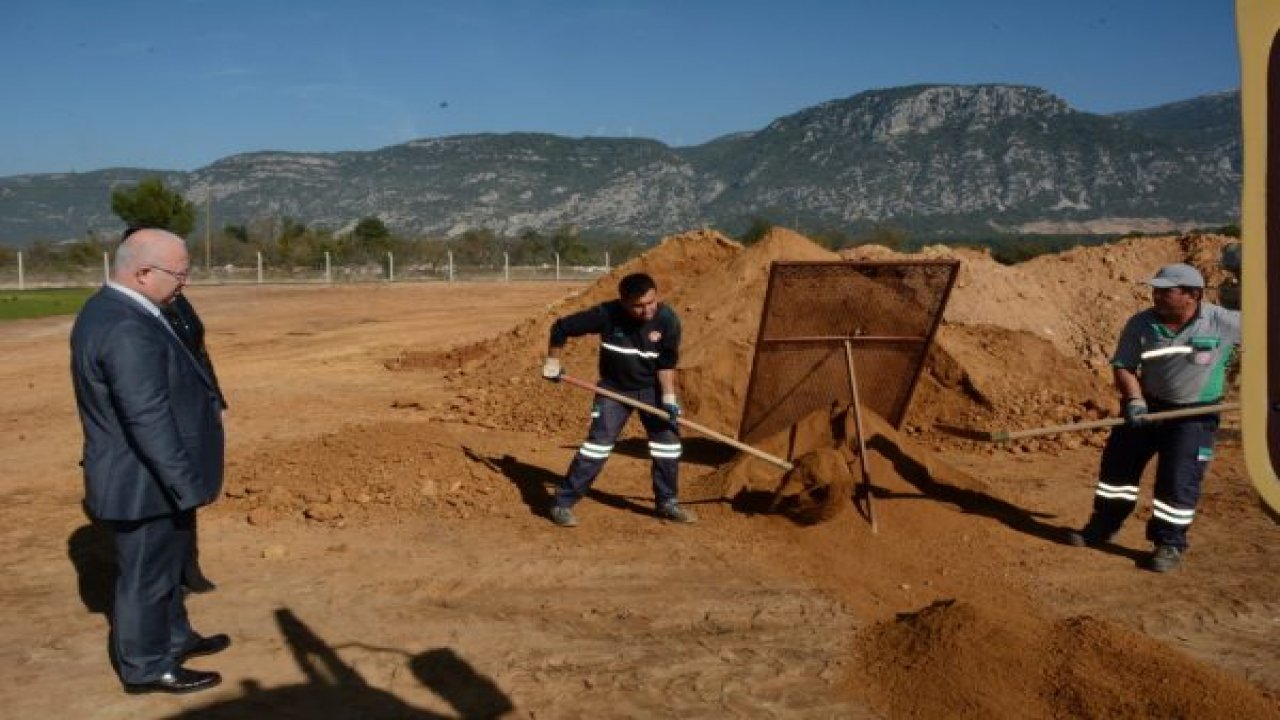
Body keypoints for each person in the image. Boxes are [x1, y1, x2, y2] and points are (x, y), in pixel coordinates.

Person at [70, 228, 230, 693]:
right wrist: (185, 482)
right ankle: (146, 666)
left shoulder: (128, 310)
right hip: (144, 480)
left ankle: (176, 638)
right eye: (179, 274)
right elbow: (147, 416)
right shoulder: (123, 326)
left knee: (167, 567)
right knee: (145, 578)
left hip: (154, 476)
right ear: (142, 273)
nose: (185, 283)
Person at [1067, 262, 1241, 572]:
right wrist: (1134, 400)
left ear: (1193, 295)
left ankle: (1169, 544)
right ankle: (1103, 525)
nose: (1156, 296)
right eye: (1155, 290)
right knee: (1117, 472)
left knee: (1178, 480)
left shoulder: (1224, 323)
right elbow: (1123, 365)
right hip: (1146, 408)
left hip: (1194, 416)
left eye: (1165, 291)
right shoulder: (1141, 324)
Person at [541, 272, 696, 527]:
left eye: (651, 302)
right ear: (623, 302)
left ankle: (667, 502)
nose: (647, 311)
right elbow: (561, 328)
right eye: (639, 306)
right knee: (598, 445)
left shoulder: (667, 320)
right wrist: (553, 361)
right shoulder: (606, 314)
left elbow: (666, 364)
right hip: (613, 391)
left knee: (667, 445)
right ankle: (562, 503)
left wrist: (668, 397)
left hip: (652, 390)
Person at [124, 227, 226, 594]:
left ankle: (189, 567)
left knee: (189, 487)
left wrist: (216, 400)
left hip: (193, 410)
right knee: (167, 489)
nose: (181, 278)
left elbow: (200, 354)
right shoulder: (137, 312)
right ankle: (169, 575)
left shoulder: (178, 301)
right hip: (166, 414)